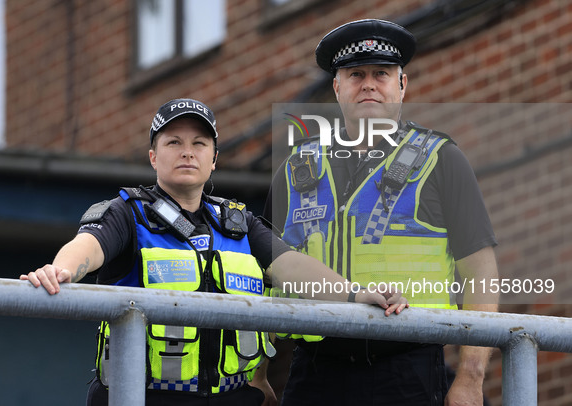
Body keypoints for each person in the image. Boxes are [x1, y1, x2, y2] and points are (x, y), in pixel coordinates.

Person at [20, 98, 408, 406]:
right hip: (142, 399)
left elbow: (295, 267)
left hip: (232, 398)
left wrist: (355, 294)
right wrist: (62, 270)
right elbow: (89, 245)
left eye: (199, 144)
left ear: (213, 159)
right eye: (173, 142)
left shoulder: (239, 222)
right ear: (154, 157)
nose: (187, 152)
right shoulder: (128, 213)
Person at [263, 19, 499, 405]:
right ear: (337, 88)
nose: (368, 84)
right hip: (314, 372)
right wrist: (257, 374)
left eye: (381, 74)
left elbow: (480, 272)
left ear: (402, 86)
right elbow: (263, 274)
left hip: (407, 369)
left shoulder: (442, 160)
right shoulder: (294, 169)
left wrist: (471, 378)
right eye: (355, 74)